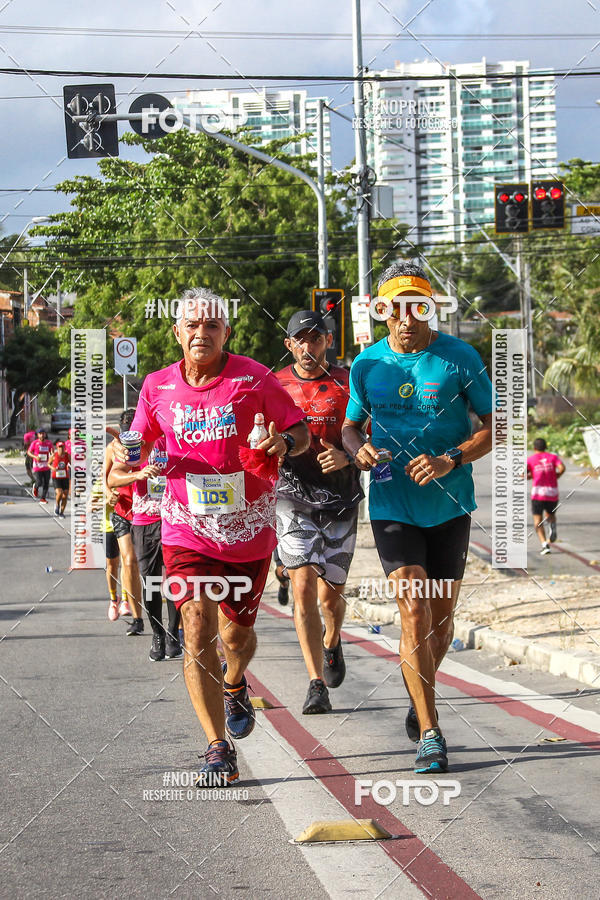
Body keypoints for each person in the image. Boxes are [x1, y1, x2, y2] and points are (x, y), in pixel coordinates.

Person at [109, 288, 309, 785]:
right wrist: (122, 456)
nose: (202, 333)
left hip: (248, 530)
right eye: (192, 326)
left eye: (212, 326)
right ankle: (217, 748)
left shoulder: (254, 377)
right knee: (197, 628)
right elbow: (137, 446)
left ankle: (236, 683)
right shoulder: (155, 386)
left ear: (227, 332)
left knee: (235, 637)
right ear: (177, 332)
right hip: (185, 528)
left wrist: (281, 441)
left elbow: (301, 433)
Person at [342, 262, 493, 774]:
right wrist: (358, 449)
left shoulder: (459, 358)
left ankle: (418, 687)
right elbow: (349, 428)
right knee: (413, 610)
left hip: (450, 505)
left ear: (429, 307)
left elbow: (494, 429)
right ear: (382, 312)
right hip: (392, 504)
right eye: (396, 308)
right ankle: (431, 732)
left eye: (417, 306)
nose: (407, 318)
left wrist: (452, 458)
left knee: (441, 621)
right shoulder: (366, 364)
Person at [275, 310, 363, 714]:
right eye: (301, 340)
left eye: (316, 339)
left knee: (331, 598)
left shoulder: (348, 381)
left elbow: (370, 433)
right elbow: (258, 431)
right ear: (290, 345)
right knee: (303, 588)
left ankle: (332, 641)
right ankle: (315, 684)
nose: (308, 347)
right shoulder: (275, 385)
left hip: (341, 498)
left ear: (328, 342)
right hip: (293, 496)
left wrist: (349, 458)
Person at [107, 437, 182, 661]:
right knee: (151, 582)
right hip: (145, 521)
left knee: (174, 578)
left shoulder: (178, 435)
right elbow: (113, 476)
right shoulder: (138, 445)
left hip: (177, 519)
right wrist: (136, 475)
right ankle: (157, 634)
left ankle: (173, 634)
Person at [104, 410, 144, 635]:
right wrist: (109, 493)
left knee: (154, 568)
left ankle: (173, 623)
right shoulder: (113, 448)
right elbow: (106, 477)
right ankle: (137, 618)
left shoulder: (149, 443)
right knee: (129, 561)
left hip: (148, 511)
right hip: (123, 511)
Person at [527, 437, 565, 555]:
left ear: (534, 448)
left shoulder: (531, 459)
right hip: (552, 492)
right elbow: (562, 468)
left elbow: (523, 473)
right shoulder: (553, 457)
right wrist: (557, 475)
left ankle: (545, 545)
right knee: (550, 514)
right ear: (546, 447)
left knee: (537, 520)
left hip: (538, 493)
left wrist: (530, 476)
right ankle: (552, 525)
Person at [27, 428, 54, 503]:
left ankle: (43, 498)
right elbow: (29, 452)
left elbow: (52, 452)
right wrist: (35, 457)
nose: (42, 435)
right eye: (40, 433)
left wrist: (52, 456)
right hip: (37, 465)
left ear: (45, 434)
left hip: (46, 465)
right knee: (39, 482)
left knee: (46, 482)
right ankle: (36, 486)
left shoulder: (49, 443)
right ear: (38, 435)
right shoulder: (35, 443)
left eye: (43, 433)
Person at [50, 440, 70, 517]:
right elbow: (48, 464)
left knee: (65, 495)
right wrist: (53, 468)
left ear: (64, 447)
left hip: (65, 477)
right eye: (59, 447)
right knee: (59, 492)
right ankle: (57, 504)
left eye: (62, 447)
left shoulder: (67, 455)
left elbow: (72, 463)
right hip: (56, 477)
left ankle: (61, 512)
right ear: (57, 448)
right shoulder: (54, 455)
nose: (61, 449)